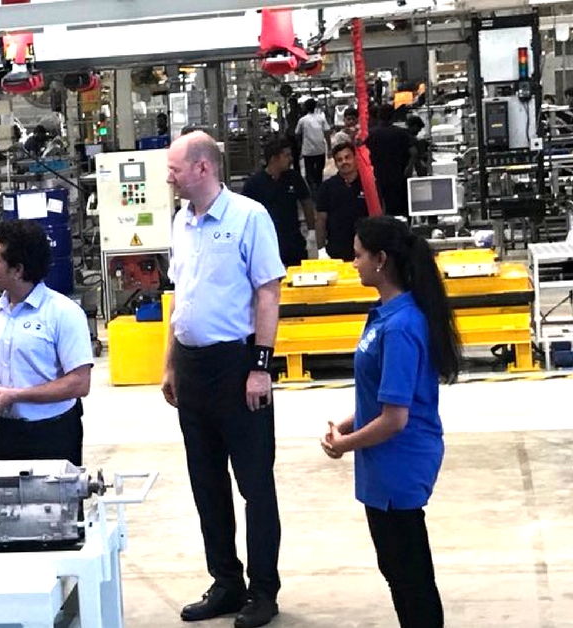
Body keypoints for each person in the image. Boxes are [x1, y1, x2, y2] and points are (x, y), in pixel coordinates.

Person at [162, 131, 285, 628]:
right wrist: (171, 363)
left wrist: (260, 367)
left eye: (174, 168)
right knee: (206, 484)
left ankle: (264, 590)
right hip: (192, 371)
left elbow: (268, 296)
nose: (168, 176)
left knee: (255, 485)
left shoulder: (249, 218)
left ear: (203, 168)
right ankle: (227, 582)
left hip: (237, 368)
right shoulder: (181, 222)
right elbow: (182, 296)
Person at [320, 217, 462, 628]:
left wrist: (344, 445)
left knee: (409, 573)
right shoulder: (384, 315)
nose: (353, 262)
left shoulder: (400, 326)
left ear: (381, 260)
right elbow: (385, 395)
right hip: (381, 461)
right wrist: (349, 424)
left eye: (359, 254)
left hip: (398, 461)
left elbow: (396, 418)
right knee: (398, 570)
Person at [0, 219, 94, 466]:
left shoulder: (63, 313)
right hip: (6, 430)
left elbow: (80, 383)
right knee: (0, 503)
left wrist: (16, 396)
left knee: (56, 504)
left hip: (53, 433)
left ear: (17, 270)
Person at [242, 137, 317, 268]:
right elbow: (243, 213)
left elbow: (306, 202)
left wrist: (311, 232)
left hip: (293, 241)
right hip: (266, 243)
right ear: (273, 158)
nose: (290, 159)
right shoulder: (254, 184)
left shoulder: (294, 178)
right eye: (286, 155)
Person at [314, 142, 370, 262]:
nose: (344, 162)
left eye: (347, 157)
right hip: (336, 251)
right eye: (339, 159)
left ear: (355, 158)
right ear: (335, 163)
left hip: (366, 249)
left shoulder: (368, 184)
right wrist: (321, 250)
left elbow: (378, 213)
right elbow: (321, 219)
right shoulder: (327, 187)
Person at [365, 104, 417, 217]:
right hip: (398, 175)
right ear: (393, 117)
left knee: (380, 205)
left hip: (377, 175)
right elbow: (414, 152)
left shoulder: (370, 134)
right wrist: (409, 167)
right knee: (399, 208)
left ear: (378, 116)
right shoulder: (402, 133)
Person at [295, 98, 329, 192]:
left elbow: (297, 134)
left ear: (305, 107)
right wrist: (329, 148)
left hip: (308, 151)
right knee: (319, 171)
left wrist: (300, 147)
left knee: (309, 173)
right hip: (320, 149)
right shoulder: (321, 118)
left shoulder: (302, 120)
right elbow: (327, 132)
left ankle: (313, 190)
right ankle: (318, 188)